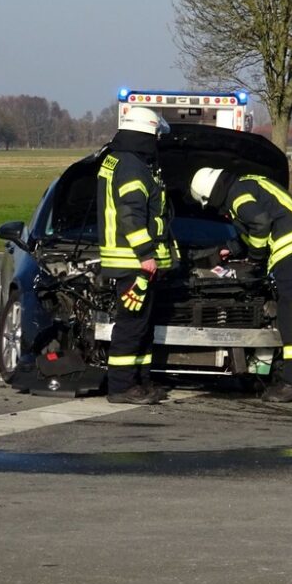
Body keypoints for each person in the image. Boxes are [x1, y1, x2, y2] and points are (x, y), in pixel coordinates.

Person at [190, 165, 292, 402]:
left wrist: (255, 260)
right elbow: (254, 227)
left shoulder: (237, 194)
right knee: (290, 317)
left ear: (210, 195)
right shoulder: (245, 184)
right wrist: (229, 249)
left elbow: (260, 224)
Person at [97, 107, 176, 405]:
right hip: (132, 262)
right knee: (131, 326)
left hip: (129, 260)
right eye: (156, 135)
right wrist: (145, 254)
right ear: (146, 134)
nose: (157, 140)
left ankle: (140, 382)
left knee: (141, 325)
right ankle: (121, 387)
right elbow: (131, 213)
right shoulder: (132, 166)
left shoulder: (120, 159)